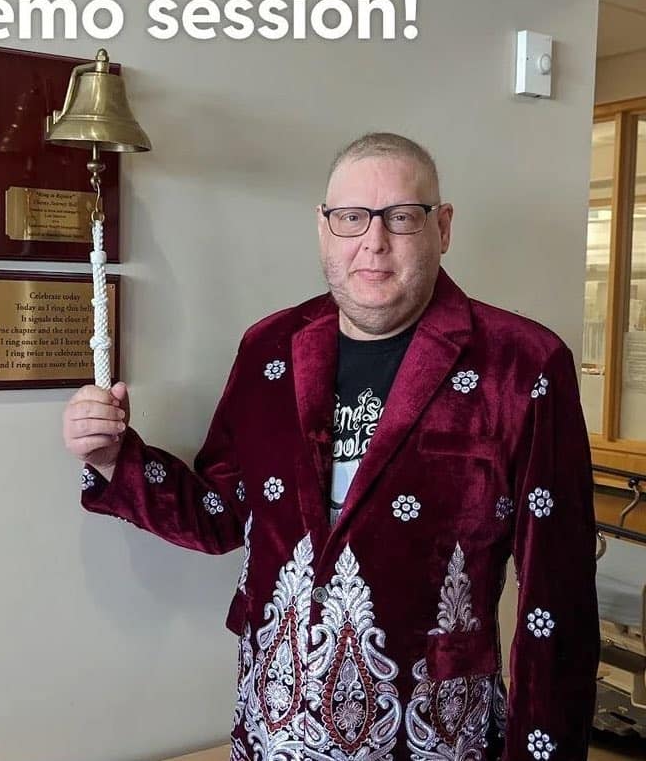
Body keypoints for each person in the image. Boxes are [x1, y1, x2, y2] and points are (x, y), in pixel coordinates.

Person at [62, 133, 599, 761]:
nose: (373, 241)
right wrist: (114, 459)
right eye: (351, 218)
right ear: (324, 229)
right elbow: (220, 515)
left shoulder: (524, 365)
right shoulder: (270, 349)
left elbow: (555, 599)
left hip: (434, 732)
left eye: (402, 217)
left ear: (443, 227)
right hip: (275, 721)